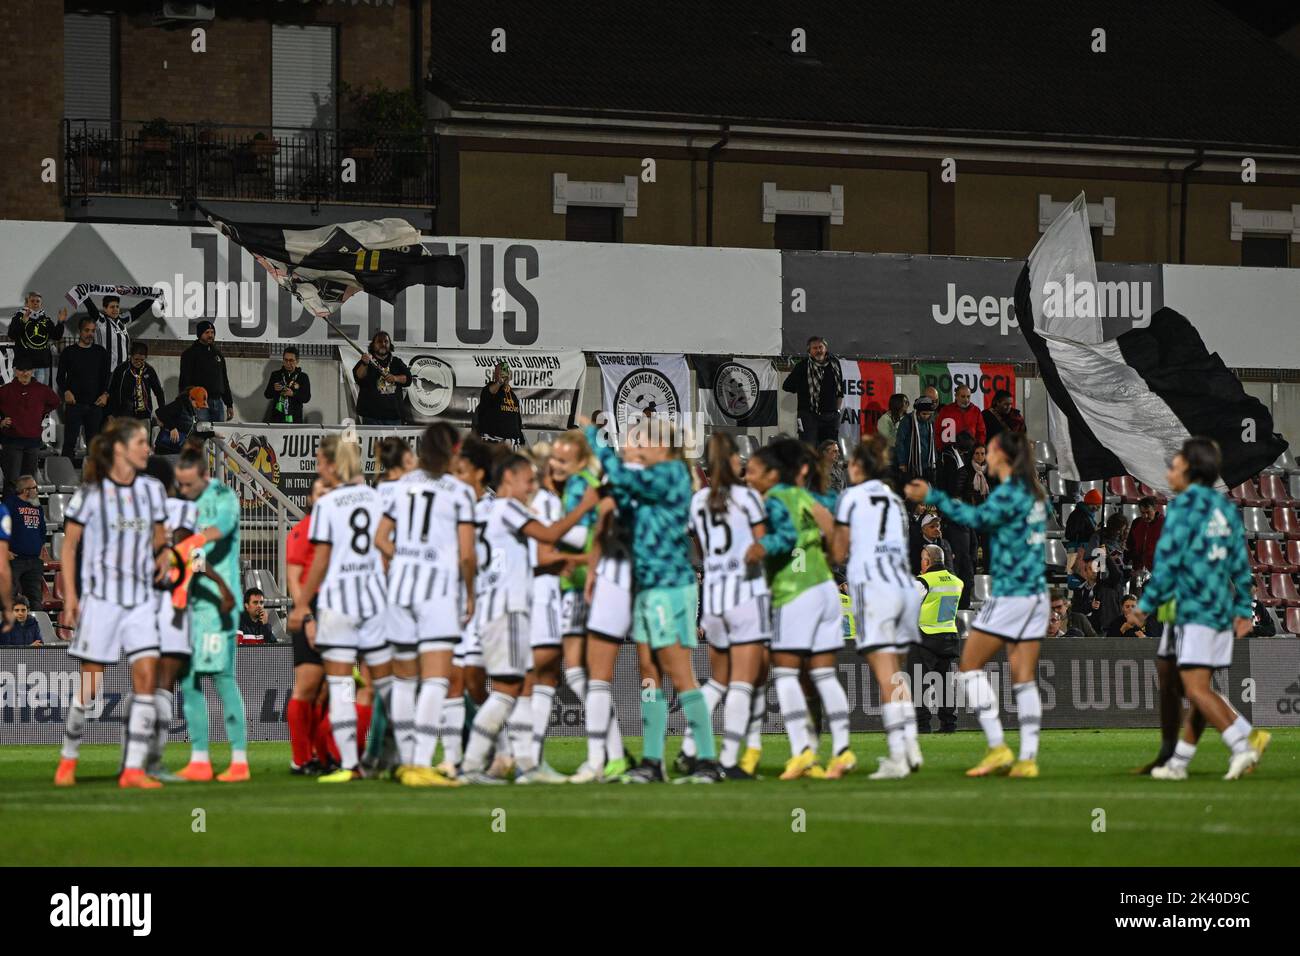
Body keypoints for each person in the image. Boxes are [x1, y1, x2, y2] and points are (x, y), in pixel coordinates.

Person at [905, 429, 1049, 778]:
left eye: (995, 451)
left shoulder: (1011, 492)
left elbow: (973, 518)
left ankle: (998, 746)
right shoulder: (1035, 495)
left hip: (1013, 594)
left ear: (1005, 458)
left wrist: (933, 494)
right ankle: (1027, 758)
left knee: (969, 666)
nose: (990, 457)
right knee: (1024, 677)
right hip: (1037, 595)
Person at [1128, 437, 1270, 780]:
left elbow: (1167, 568)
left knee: (1194, 689)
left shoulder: (1183, 510)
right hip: (1221, 611)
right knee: (1199, 686)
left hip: (1192, 612)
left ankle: (1242, 743)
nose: (1170, 472)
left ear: (1190, 470)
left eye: (1175, 466)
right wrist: (1241, 609)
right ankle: (1177, 763)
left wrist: (1144, 607)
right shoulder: (1225, 509)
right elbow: (1240, 564)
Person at [457, 453, 598, 785]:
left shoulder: (484, 509)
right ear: (508, 479)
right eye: (528, 481)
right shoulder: (508, 508)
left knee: (520, 688)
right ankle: (472, 766)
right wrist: (583, 508)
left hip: (495, 608)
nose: (531, 487)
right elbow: (548, 536)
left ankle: (526, 764)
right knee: (507, 691)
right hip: (507, 609)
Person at [54, 418, 168, 789]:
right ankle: (68, 758)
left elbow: (159, 539)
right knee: (89, 688)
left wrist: (162, 556)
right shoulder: (91, 493)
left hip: (140, 602)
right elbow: (68, 547)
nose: (147, 449)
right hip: (102, 601)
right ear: (120, 449)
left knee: (146, 681)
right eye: (140, 443)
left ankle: (133, 768)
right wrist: (71, 596)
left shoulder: (153, 490)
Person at [287, 434, 395, 783]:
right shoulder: (376, 497)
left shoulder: (328, 505)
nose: (319, 468)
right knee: (386, 684)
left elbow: (321, 560)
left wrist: (302, 604)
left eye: (320, 462)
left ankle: (350, 765)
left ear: (332, 464)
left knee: (342, 687)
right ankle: (399, 756)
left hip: (338, 603)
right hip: (374, 600)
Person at [373, 424, 475, 786]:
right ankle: (420, 763)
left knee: (403, 680)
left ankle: (405, 761)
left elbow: (380, 538)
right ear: (453, 450)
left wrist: (403, 558)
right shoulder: (460, 493)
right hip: (437, 592)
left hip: (400, 588)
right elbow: (466, 554)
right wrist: (471, 593)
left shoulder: (402, 485)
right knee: (435, 678)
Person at [745, 438, 848, 781]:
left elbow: (785, 537)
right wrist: (831, 556)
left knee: (787, 675)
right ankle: (843, 750)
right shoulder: (809, 497)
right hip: (825, 588)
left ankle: (802, 752)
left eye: (757, 471)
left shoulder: (776, 498)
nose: (751, 477)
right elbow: (834, 532)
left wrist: (762, 546)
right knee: (822, 675)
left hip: (796, 591)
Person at [830, 435, 925, 778]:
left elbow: (839, 552)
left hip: (874, 590)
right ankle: (911, 744)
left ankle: (898, 757)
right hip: (904, 587)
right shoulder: (894, 500)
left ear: (857, 467)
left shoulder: (851, 497)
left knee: (885, 676)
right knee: (897, 674)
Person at [144, 454, 234, 781]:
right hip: (173, 603)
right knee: (166, 683)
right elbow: (188, 554)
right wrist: (221, 583)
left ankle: (134, 755)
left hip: (140, 604)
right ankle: (151, 760)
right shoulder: (181, 510)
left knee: (144, 683)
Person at [688, 432, 771, 780]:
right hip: (745, 596)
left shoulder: (698, 501)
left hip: (713, 597)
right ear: (735, 460)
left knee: (717, 681)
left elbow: (701, 546)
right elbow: (763, 542)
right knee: (741, 682)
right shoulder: (748, 498)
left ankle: (691, 749)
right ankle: (728, 760)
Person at [171, 441, 249, 783]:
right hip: (191, 602)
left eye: (189, 484)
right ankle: (199, 759)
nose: (183, 490)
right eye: (180, 485)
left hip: (219, 602)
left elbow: (219, 532)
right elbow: (192, 558)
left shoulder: (223, 499)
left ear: (205, 475)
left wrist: (191, 540)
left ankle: (239, 760)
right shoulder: (185, 506)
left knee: (223, 678)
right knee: (188, 681)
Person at [568, 446, 637, 784]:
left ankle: (604, 760)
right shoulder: (664, 485)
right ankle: (617, 759)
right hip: (647, 582)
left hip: (620, 581)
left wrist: (593, 572)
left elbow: (600, 526)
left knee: (597, 676)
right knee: (664, 673)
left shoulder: (612, 489)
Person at [285, 476, 341, 775]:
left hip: (338, 607)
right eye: (319, 492)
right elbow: (294, 579)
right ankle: (300, 758)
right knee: (306, 687)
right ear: (310, 498)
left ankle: (325, 756)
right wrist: (306, 615)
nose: (324, 497)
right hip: (313, 607)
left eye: (329, 490)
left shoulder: (340, 531)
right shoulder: (301, 531)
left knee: (330, 692)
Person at [908, 543, 964, 734]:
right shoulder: (957, 582)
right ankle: (949, 725)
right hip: (948, 637)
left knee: (919, 684)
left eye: (923, 559)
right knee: (945, 684)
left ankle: (922, 725)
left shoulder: (923, 582)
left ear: (927, 561)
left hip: (925, 637)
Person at [0, 359, 59, 495]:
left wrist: (40, 413)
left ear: (33, 371)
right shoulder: (5, 391)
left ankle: (27, 512)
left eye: (28, 370)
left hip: (33, 442)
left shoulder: (42, 390)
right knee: (12, 481)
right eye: (21, 370)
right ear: (15, 371)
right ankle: (10, 513)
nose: (25, 373)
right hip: (11, 441)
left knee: (28, 482)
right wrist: (1, 422)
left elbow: (55, 402)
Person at [56, 316, 111, 462]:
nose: (90, 334)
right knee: (69, 443)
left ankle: (93, 478)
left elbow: (107, 377)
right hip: (74, 405)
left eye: (93, 331)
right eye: (87, 330)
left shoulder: (101, 352)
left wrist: (106, 394)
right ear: (80, 331)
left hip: (95, 405)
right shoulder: (69, 352)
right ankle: (65, 478)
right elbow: (60, 378)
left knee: (94, 445)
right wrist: (66, 391)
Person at [935, 430, 978, 607]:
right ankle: (962, 602)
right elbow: (952, 487)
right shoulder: (952, 462)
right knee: (962, 559)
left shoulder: (965, 464)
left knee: (971, 552)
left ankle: (964, 600)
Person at [782, 336, 845, 445]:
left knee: (829, 449)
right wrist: (803, 387)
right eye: (814, 348)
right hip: (808, 416)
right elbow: (787, 386)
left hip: (830, 417)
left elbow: (840, 390)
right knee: (808, 449)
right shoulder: (802, 366)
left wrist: (837, 411)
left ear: (826, 349)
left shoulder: (835, 364)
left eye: (820, 347)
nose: (818, 351)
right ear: (809, 351)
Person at [85, 290, 158, 375]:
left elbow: (138, 310)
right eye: (112, 307)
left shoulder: (122, 320)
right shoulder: (101, 320)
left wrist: (153, 297)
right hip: (105, 372)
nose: (115, 309)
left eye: (117, 306)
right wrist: (83, 294)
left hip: (123, 372)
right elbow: (90, 307)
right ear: (105, 309)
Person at [4, 475, 47, 610]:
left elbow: (42, 530)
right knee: (8, 598)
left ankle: (35, 629)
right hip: (14, 560)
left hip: (34, 561)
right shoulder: (10, 504)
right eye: (35, 487)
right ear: (25, 490)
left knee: (35, 599)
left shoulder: (37, 507)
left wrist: (40, 550)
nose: (37, 490)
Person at [178, 321, 234, 423]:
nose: (210, 335)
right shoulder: (190, 354)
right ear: (200, 334)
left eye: (212, 332)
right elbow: (184, 380)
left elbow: (224, 380)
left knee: (219, 434)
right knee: (202, 433)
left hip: (218, 402)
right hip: (199, 402)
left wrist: (229, 404)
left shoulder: (218, 354)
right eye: (207, 332)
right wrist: (185, 402)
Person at [352, 332, 410, 426]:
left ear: (390, 344)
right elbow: (358, 377)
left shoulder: (396, 362)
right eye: (379, 341)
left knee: (392, 441)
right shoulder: (367, 361)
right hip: (371, 417)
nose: (383, 344)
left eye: (386, 341)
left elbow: (408, 379)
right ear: (373, 345)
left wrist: (395, 378)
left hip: (393, 417)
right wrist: (364, 364)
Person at [8, 292, 65, 385]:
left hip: (42, 365)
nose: (35, 303)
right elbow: (12, 335)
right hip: (24, 366)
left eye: (38, 301)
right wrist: (23, 322)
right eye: (32, 301)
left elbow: (56, 336)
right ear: (27, 303)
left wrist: (61, 322)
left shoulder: (46, 319)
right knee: (23, 395)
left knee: (40, 395)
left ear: (41, 304)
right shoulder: (18, 316)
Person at [106, 342, 165, 423]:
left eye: (142, 360)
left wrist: (163, 414)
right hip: (124, 415)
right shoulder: (121, 369)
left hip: (144, 415)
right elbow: (111, 391)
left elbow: (159, 392)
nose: (139, 362)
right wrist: (110, 413)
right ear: (131, 356)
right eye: (136, 359)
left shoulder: (149, 370)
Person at [473, 361, 525, 446]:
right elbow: (489, 393)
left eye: (506, 372)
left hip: (512, 442)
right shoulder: (490, 389)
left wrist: (520, 438)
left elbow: (517, 419)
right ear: (495, 375)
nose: (504, 375)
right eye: (500, 372)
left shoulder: (512, 395)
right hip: (494, 441)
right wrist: (499, 382)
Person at [895, 395, 937, 483]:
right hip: (911, 464)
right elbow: (900, 442)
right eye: (924, 414)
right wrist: (902, 463)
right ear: (917, 411)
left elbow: (933, 442)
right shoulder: (908, 421)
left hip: (927, 465)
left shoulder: (931, 422)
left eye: (929, 414)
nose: (926, 416)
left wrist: (935, 460)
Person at [264, 346, 311, 424]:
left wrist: (293, 394)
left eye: (291, 360)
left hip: (295, 419)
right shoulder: (276, 375)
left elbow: (306, 398)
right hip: (277, 419)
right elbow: (267, 395)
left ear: (297, 361)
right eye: (285, 360)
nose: (288, 363)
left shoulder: (303, 377)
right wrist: (274, 389)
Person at [935, 384, 986, 451]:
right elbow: (937, 431)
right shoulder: (946, 410)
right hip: (950, 452)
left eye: (968, 396)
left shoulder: (976, 411)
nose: (966, 400)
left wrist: (978, 449)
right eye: (963, 396)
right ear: (956, 396)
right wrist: (940, 448)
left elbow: (981, 433)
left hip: (970, 453)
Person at [1063, 488, 1103, 572]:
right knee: (1077, 578)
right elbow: (1071, 534)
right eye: (1097, 506)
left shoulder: (1086, 514)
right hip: (1079, 550)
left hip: (1080, 549)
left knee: (1077, 580)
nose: (1098, 509)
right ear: (1090, 503)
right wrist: (1094, 531)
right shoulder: (1079, 515)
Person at [1126, 496, 1164, 579]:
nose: (1145, 516)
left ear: (1154, 509)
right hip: (1139, 569)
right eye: (1142, 513)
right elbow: (1130, 544)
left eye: (1148, 512)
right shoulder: (1136, 523)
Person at [153, 387, 199, 455]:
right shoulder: (179, 404)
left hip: (177, 449)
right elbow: (160, 412)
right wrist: (172, 428)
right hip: (166, 449)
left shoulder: (192, 410)